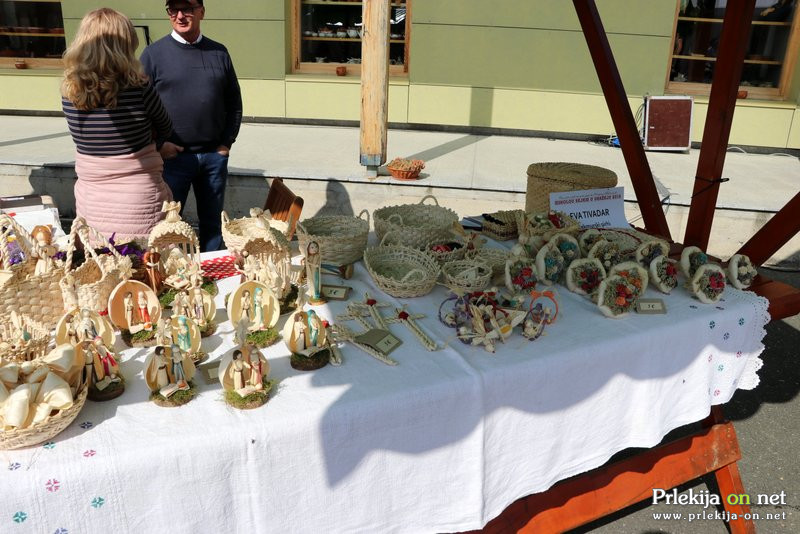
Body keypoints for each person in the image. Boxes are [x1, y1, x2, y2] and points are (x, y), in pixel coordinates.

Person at [61, 8, 173, 242]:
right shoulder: (140, 88)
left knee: (100, 257)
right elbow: (165, 127)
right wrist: (152, 142)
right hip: (138, 197)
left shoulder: (69, 91)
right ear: (126, 44)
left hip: (92, 197)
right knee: (143, 258)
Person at [141, 0, 243, 252]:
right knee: (168, 228)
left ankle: (211, 268)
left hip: (213, 157)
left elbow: (234, 102)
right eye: (173, 10)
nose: (180, 16)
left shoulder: (219, 52)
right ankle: (175, 272)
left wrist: (226, 143)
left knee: (213, 226)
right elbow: (139, 108)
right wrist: (159, 145)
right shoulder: (153, 55)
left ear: (201, 12)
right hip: (172, 159)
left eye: (187, 9)